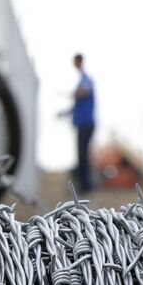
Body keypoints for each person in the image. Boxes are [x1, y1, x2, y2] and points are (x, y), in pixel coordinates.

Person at [58, 53, 97, 194]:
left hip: (86, 123)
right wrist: (65, 113)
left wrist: (71, 94)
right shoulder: (82, 80)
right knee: (81, 155)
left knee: (83, 155)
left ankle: (86, 186)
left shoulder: (86, 80)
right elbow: (77, 104)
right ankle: (84, 185)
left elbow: (83, 93)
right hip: (82, 123)